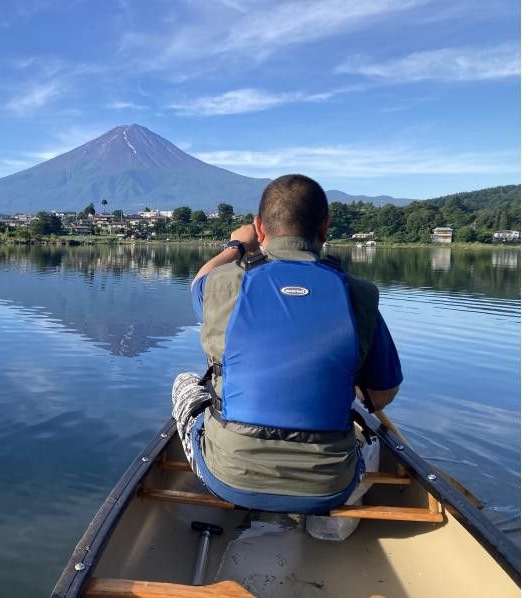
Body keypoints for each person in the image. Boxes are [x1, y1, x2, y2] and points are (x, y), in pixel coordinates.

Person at [172, 174, 402, 519]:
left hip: (228, 478)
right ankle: (326, 520)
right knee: (364, 431)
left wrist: (236, 245)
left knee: (187, 382)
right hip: (331, 486)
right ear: (325, 228)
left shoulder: (222, 284)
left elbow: (197, 282)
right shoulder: (358, 293)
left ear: (259, 228)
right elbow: (381, 395)